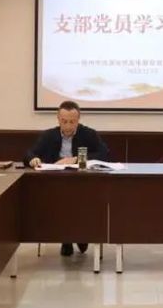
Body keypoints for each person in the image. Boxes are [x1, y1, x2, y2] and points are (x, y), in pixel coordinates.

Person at [23, 100, 110, 256]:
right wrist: (33, 159)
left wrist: (76, 159)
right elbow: (29, 153)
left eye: (72, 122)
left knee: (80, 201)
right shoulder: (49, 135)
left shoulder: (89, 134)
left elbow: (104, 154)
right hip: (56, 182)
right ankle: (67, 239)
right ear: (58, 119)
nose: (68, 126)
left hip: (83, 182)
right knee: (62, 201)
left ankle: (81, 234)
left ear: (78, 120)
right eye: (64, 121)